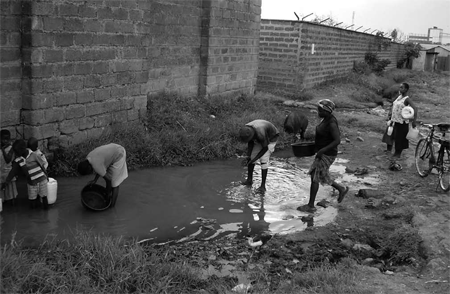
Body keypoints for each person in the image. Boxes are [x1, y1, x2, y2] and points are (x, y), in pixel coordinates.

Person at [297, 99, 349, 213]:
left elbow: (337, 141)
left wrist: (322, 151)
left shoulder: (331, 123)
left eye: (320, 110)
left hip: (327, 154)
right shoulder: (325, 119)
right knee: (320, 175)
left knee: (315, 176)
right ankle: (341, 189)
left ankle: (310, 206)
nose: (318, 111)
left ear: (326, 111)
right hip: (322, 152)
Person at [2, 139, 49, 209]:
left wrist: (46, 176)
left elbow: (42, 166)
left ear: (22, 150)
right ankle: (34, 215)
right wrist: (6, 182)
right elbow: (13, 172)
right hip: (31, 182)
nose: (15, 154)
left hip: (42, 179)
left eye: (16, 152)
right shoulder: (18, 160)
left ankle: (45, 212)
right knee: (32, 199)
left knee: (44, 197)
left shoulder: (34, 155)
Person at [77, 143, 128, 208]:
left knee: (115, 184)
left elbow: (108, 180)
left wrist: (107, 194)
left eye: (88, 173)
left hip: (119, 154)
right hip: (113, 148)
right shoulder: (89, 158)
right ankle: (108, 197)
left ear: (89, 169)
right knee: (110, 182)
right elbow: (100, 168)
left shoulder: (95, 165)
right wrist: (95, 180)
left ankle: (112, 207)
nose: (89, 173)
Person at [239, 119, 279, 193]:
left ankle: (262, 187)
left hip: (271, 138)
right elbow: (250, 143)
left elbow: (265, 148)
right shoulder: (247, 130)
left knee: (264, 160)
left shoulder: (260, 133)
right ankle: (249, 180)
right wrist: (248, 157)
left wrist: (254, 160)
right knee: (251, 157)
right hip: (260, 137)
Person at [382, 82, 418, 160]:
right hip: (394, 120)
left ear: (406, 89)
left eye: (402, 87)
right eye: (400, 87)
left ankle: (397, 154)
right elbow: (393, 105)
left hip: (402, 122)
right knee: (389, 135)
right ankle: (388, 151)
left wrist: (414, 121)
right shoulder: (399, 97)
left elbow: (415, 108)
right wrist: (390, 115)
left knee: (400, 139)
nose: (400, 89)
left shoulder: (407, 99)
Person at [1, 130, 18, 206]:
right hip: (1, 175)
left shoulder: (11, 148)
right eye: (3, 139)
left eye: (7, 139)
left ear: (10, 139)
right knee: (2, 197)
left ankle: (13, 213)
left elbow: (8, 160)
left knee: (11, 195)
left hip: (9, 174)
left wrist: (3, 150)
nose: (5, 141)